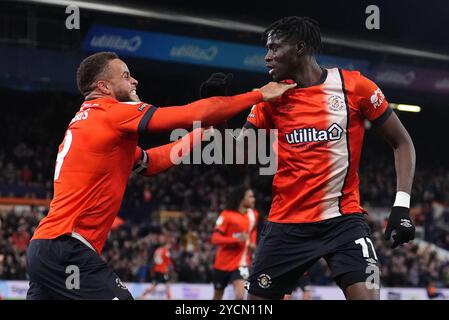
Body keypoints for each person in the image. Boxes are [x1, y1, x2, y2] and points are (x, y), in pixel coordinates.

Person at [25, 51, 296, 300]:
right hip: (66, 247)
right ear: (103, 87)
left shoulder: (91, 124)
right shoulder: (110, 114)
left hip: (45, 248)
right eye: (126, 75)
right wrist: (259, 94)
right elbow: (190, 113)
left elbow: (151, 163)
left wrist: (199, 135)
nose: (135, 81)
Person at [200, 16, 416, 300]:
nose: (267, 57)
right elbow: (236, 163)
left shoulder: (355, 87)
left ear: (299, 48)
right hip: (286, 225)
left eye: (275, 48)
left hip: (343, 222)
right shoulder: (270, 98)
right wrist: (218, 113)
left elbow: (402, 142)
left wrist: (401, 206)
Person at [210, 186, 259, 300]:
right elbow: (215, 239)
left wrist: (252, 242)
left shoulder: (253, 214)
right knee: (217, 296)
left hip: (241, 263)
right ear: (241, 199)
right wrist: (236, 240)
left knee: (240, 296)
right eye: (250, 197)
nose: (254, 199)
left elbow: (252, 230)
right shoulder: (226, 215)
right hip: (222, 263)